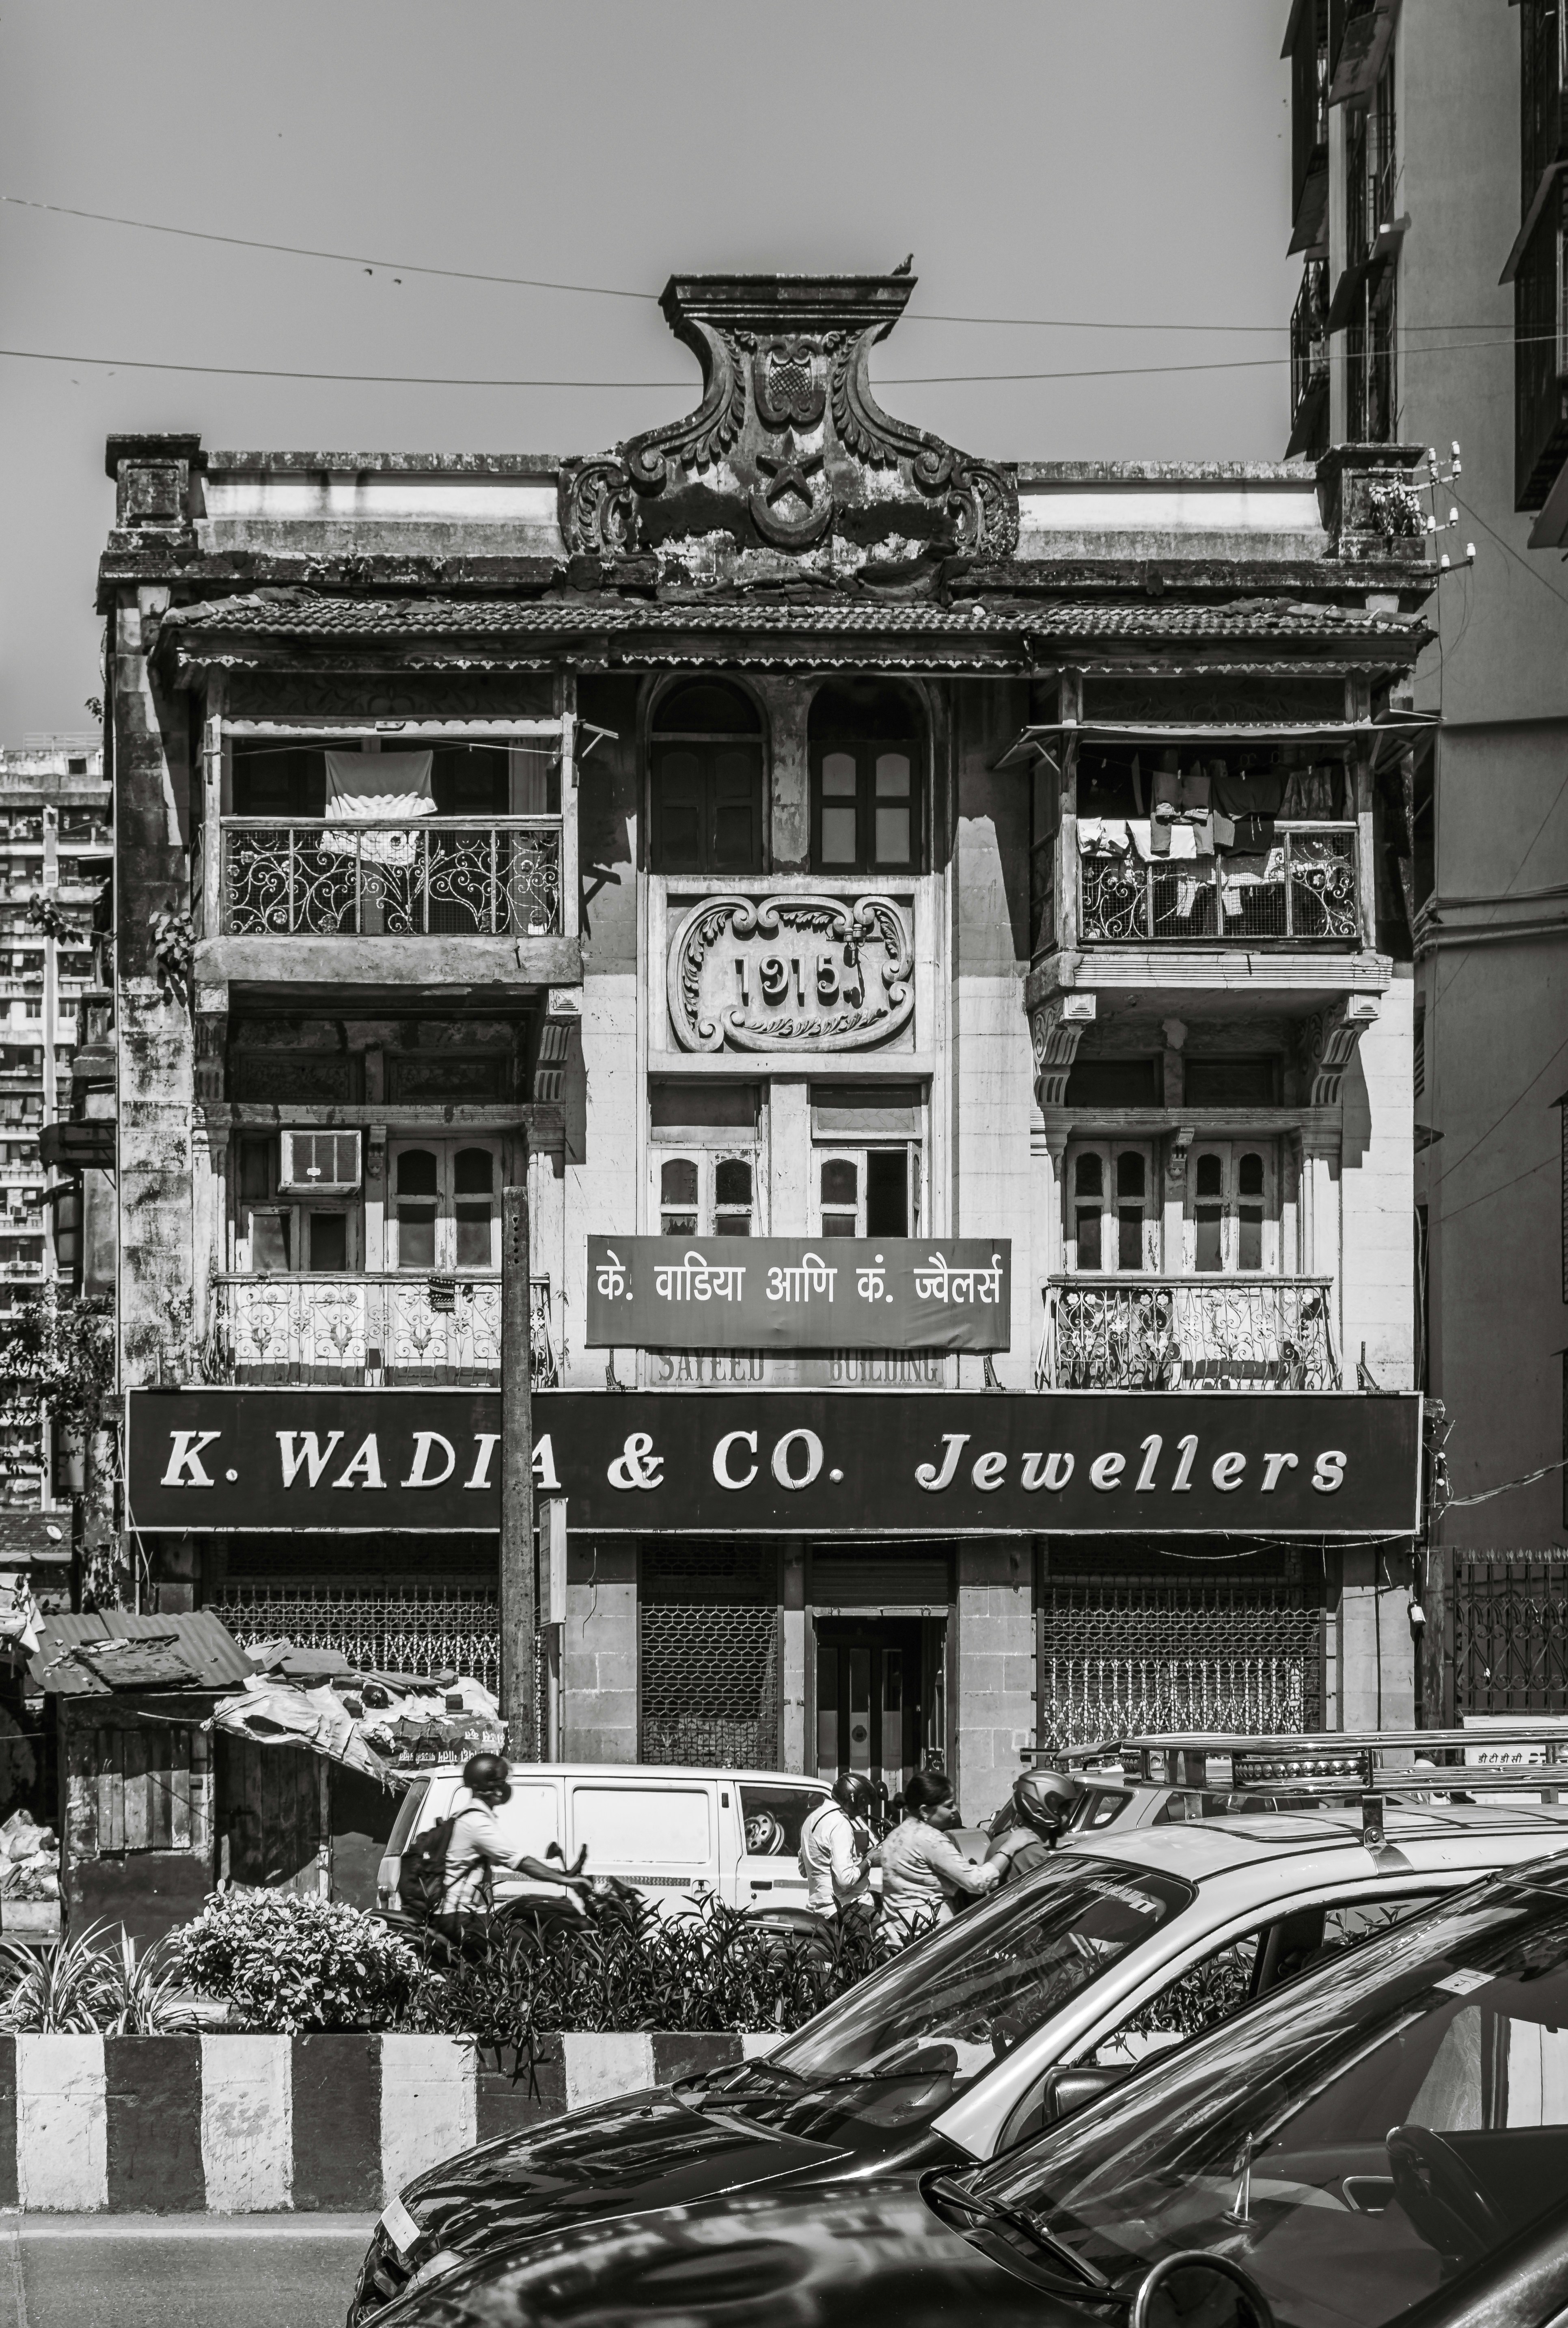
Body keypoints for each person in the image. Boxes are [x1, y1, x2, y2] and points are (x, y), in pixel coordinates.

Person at [434, 1752, 593, 1941]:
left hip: (469, 1914)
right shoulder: (476, 1822)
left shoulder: (468, 1816)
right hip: (460, 1918)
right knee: (535, 1944)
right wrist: (566, 1881)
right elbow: (519, 1861)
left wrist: (563, 1874)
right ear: (484, 1787)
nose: (504, 1789)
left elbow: (505, 1859)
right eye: (499, 1783)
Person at [874, 1768, 1001, 1947]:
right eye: (949, 1806)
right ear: (925, 1811)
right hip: (929, 1938)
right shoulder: (929, 1838)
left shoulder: (895, 1836)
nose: (955, 1810)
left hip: (896, 1937)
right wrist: (1007, 1850)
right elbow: (976, 1882)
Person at [984, 1767, 1087, 1884]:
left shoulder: (1000, 1840)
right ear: (1042, 1811)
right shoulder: (1036, 1856)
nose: (1069, 1816)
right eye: (1065, 1810)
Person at [798, 1771, 877, 1921]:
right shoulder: (840, 1824)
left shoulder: (810, 1820)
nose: (864, 1812)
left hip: (818, 1907)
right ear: (855, 1798)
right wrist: (870, 1861)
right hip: (844, 1908)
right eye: (864, 1805)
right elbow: (845, 1880)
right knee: (885, 1932)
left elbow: (804, 1870)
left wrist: (858, 1860)